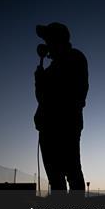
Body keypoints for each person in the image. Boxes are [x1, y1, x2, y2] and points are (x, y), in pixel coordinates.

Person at [34, 22, 88, 193]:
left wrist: (46, 82)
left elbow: (76, 93)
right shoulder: (51, 68)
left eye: (48, 39)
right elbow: (41, 99)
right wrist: (39, 81)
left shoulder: (74, 57)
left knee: (72, 171)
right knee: (55, 177)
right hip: (47, 127)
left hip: (66, 124)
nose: (46, 44)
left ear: (57, 40)